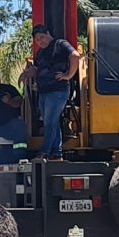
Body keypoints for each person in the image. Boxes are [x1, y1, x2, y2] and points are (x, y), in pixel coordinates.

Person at [25, 26, 76, 159]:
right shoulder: (41, 53)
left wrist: (69, 75)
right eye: (37, 40)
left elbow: (75, 55)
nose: (40, 41)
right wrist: (28, 73)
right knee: (53, 122)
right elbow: (38, 70)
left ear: (48, 33)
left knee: (49, 122)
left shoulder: (60, 44)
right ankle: (56, 153)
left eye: (41, 37)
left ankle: (45, 152)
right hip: (43, 92)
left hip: (57, 91)